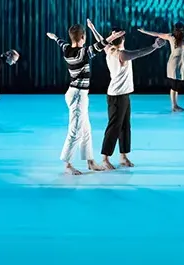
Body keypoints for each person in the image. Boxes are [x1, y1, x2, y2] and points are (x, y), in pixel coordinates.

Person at [46, 21, 126, 175]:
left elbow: (60, 42)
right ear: (82, 37)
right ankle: (68, 165)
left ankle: (90, 161)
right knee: (75, 130)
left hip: (79, 95)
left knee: (86, 129)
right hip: (77, 96)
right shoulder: (81, 53)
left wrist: (54, 37)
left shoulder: (67, 49)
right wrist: (112, 37)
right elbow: (98, 46)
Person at [88, 22, 166, 170]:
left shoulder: (108, 48)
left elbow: (100, 40)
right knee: (114, 127)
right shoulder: (120, 53)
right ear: (123, 39)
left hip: (123, 95)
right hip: (117, 96)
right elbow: (140, 52)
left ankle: (123, 156)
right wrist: (154, 46)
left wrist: (93, 29)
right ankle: (105, 158)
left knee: (125, 126)